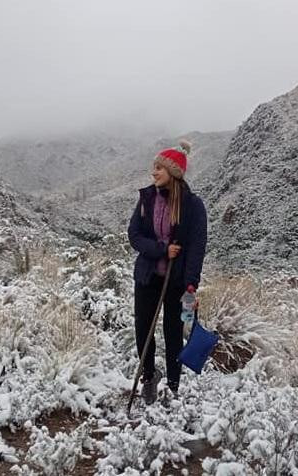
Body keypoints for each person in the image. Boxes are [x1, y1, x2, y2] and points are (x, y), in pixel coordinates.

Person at [127, 139, 208, 405]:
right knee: (144, 330)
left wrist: (191, 285)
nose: (154, 172)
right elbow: (134, 235)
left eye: (159, 168)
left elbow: (197, 247)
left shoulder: (193, 206)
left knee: (173, 333)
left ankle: (173, 385)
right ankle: (149, 377)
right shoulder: (147, 198)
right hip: (148, 276)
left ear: (172, 172)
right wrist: (162, 249)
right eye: (154, 167)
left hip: (176, 281)